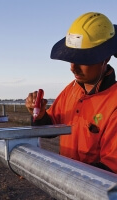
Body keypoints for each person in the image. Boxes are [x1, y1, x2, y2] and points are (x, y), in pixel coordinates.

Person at [25, 12, 117, 174]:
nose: (73, 67)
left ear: (106, 58)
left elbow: (111, 170)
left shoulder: (114, 103)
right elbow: (50, 127)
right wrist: (40, 117)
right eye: (71, 59)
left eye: (83, 60)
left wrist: (54, 173)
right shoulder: (73, 89)